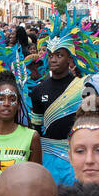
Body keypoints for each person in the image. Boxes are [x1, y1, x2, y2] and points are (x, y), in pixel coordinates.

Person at [29, 38, 86, 183]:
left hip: (75, 155)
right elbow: (36, 128)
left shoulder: (84, 88)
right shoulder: (38, 90)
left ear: (70, 59)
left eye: (59, 55)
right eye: (50, 55)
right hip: (47, 157)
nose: (53, 60)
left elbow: (92, 124)